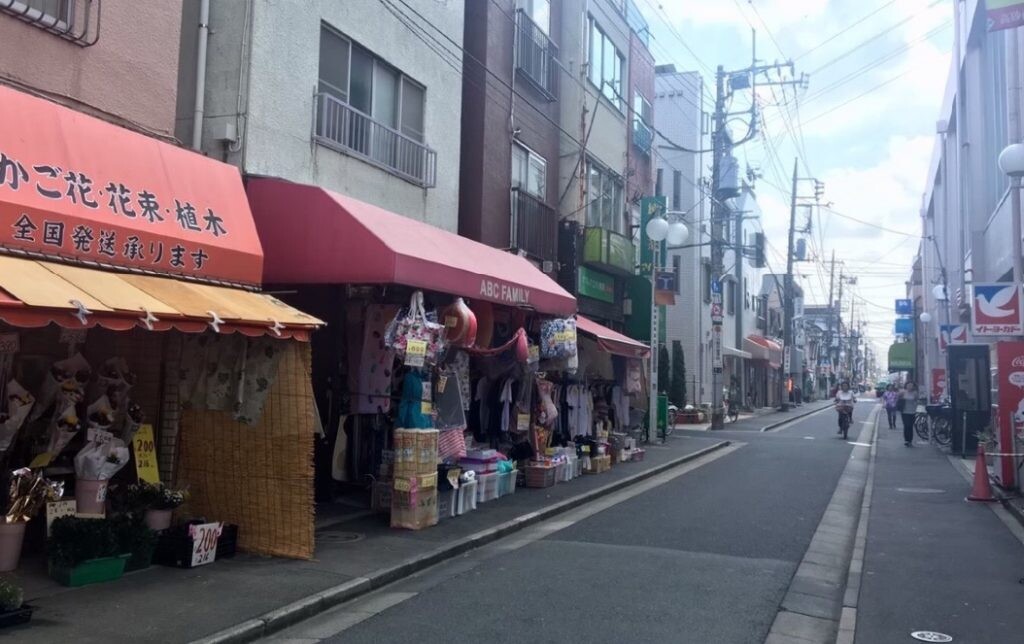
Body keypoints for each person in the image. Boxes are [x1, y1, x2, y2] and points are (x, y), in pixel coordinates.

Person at [899, 381, 919, 446]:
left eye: (911, 385)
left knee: (910, 426)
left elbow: (917, 401)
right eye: (908, 385)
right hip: (904, 412)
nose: (910, 386)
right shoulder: (903, 392)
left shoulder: (915, 393)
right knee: (906, 426)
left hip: (912, 411)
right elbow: (898, 399)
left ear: (913, 386)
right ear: (906, 386)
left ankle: (910, 440)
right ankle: (906, 440)